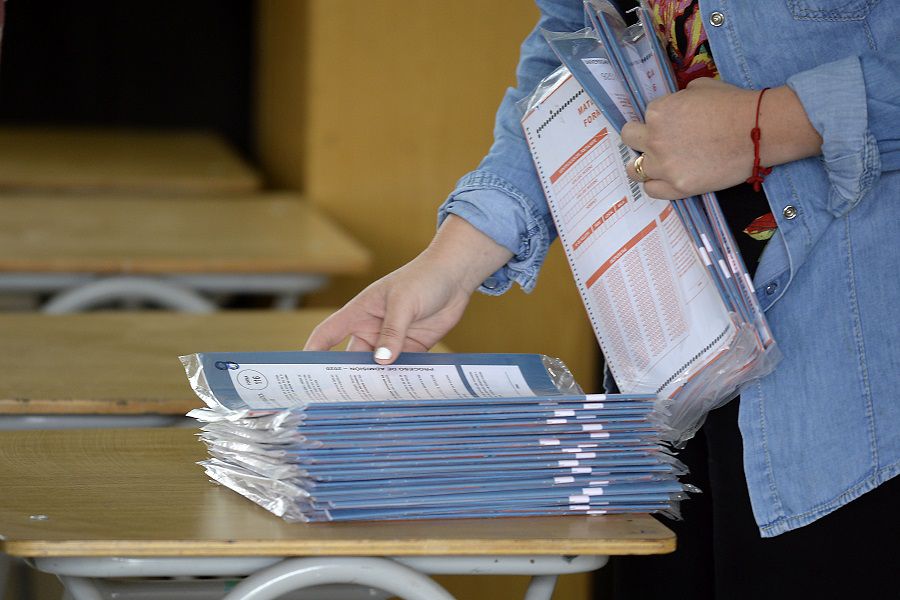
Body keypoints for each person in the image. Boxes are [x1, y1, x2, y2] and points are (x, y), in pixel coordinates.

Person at [305, 1, 900, 597]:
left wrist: (769, 125)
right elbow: (574, 43)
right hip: (666, 363)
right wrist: (454, 259)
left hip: (855, 378)